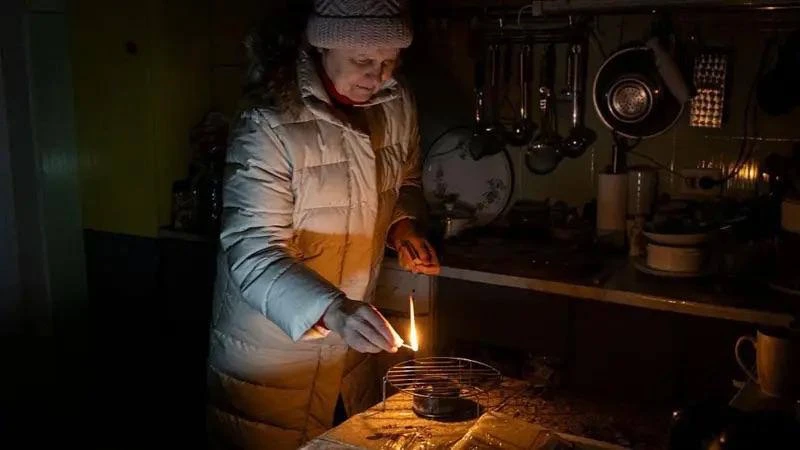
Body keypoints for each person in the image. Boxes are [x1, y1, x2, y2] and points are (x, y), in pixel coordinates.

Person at [206, 1, 439, 449]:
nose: (377, 77)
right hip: (273, 358)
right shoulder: (269, 123)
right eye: (362, 60)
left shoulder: (396, 102)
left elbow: (405, 179)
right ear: (322, 46)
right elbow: (253, 250)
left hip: (348, 351)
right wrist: (332, 310)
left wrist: (404, 226)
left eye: (389, 61)